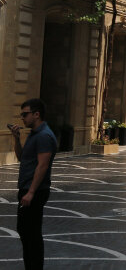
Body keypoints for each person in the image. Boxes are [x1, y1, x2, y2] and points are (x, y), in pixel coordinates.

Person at [10, 98, 58, 270]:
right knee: (25, 232)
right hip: (28, 189)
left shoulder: (44, 136)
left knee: (31, 234)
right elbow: (23, 158)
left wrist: (30, 192)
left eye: (25, 114)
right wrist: (16, 139)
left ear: (36, 114)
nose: (22, 118)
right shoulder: (35, 134)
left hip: (35, 191)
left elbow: (42, 165)